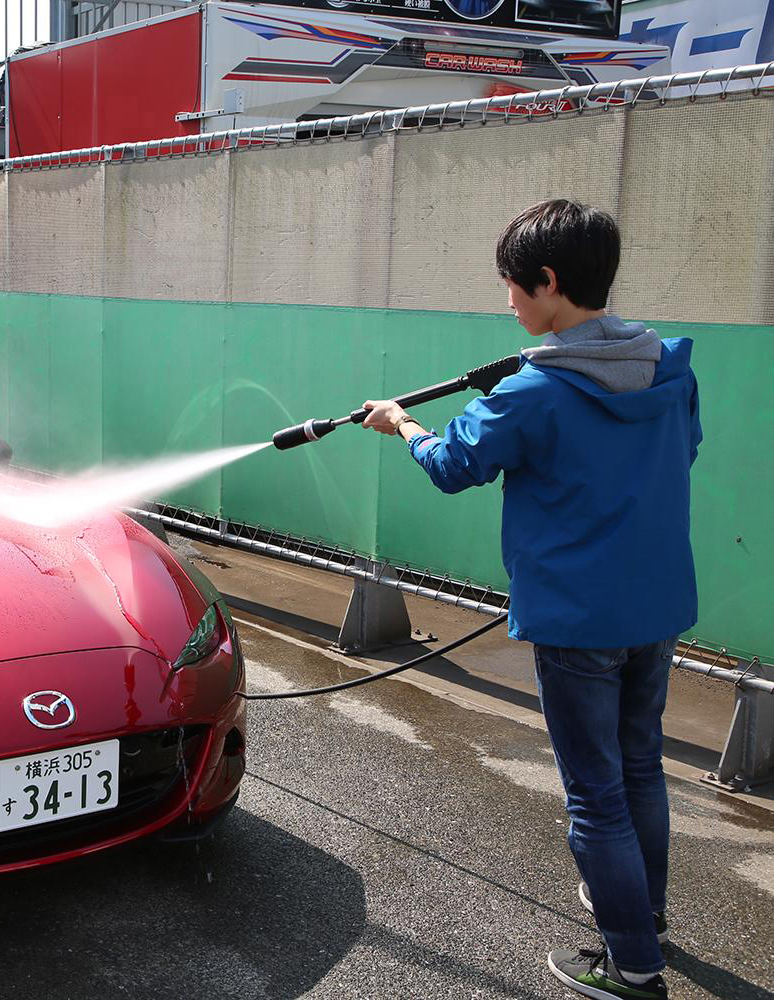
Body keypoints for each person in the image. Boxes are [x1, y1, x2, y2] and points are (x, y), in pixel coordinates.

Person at [360, 199, 699, 1000]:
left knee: (596, 793)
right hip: (655, 606)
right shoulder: (670, 369)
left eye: (511, 286)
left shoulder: (534, 393)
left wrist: (403, 425)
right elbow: (682, 449)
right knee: (640, 765)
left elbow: (451, 464)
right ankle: (641, 913)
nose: (506, 302)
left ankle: (633, 966)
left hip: (578, 619)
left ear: (548, 284)